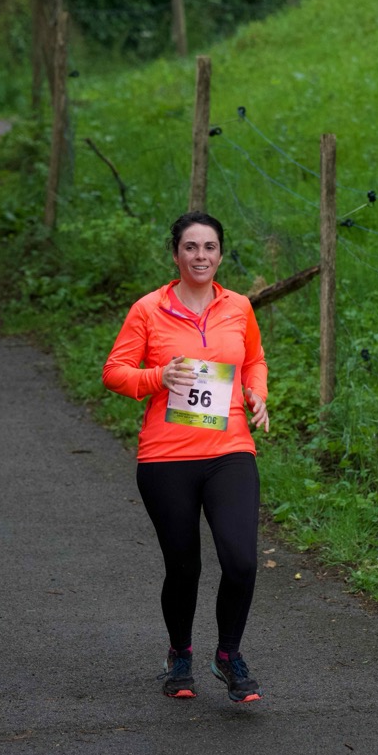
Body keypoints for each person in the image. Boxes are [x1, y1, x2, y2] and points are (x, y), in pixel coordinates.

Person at [103, 211, 270, 703]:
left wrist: (256, 394)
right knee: (184, 567)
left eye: (210, 247)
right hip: (166, 458)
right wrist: (157, 377)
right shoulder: (148, 309)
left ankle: (229, 656)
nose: (201, 256)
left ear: (221, 254)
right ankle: (180, 653)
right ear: (176, 254)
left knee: (241, 560)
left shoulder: (238, 307)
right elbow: (115, 372)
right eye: (191, 247)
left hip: (230, 450)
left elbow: (254, 361)